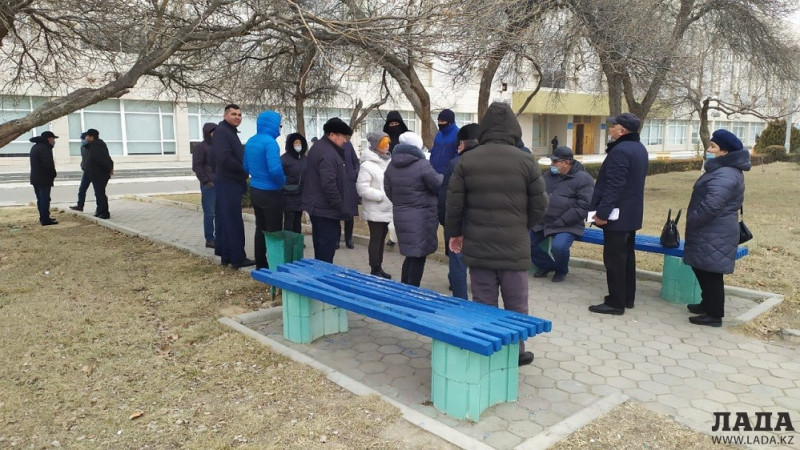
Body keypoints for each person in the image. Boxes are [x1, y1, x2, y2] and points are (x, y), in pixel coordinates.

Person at [445, 102, 548, 366]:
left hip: (478, 247)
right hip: (514, 247)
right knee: (516, 303)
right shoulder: (526, 160)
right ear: (514, 128)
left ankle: (487, 352)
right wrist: (522, 225)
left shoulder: (467, 160)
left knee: (483, 302)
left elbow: (453, 205)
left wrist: (455, 234)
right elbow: (541, 204)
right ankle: (516, 352)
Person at [683, 129, 751, 327]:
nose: (709, 149)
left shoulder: (726, 174)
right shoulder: (721, 169)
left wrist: (693, 219)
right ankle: (707, 304)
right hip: (710, 228)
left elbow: (712, 205)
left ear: (724, 152)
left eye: (713, 146)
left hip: (715, 229)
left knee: (711, 273)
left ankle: (714, 315)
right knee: (702, 267)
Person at [587, 112, 648, 315]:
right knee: (627, 258)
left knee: (614, 260)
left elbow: (614, 186)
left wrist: (602, 213)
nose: (610, 129)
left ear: (621, 130)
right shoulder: (639, 148)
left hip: (617, 215)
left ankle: (615, 303)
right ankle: (627, 298)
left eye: (613, 126)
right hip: (631, 214)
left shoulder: (620, 151)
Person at [384, 132, 442, 287]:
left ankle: (404, 287)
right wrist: (445, 176)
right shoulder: (422, 165)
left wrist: (401, 203)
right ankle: (412, 291)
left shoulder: (391, 165)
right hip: (422, 217)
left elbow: (388, 191)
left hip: (401, 215)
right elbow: (438, 184)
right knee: (418, 256)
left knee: (411, 255)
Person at [530, 146, 594, 282]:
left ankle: (561, 270)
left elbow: (584, 205)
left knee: (559, 247)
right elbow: (538, 194)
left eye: (555, 161)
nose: (551, 164)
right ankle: (547, 265)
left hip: (567, 224)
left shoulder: (584, 179)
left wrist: (562, 221)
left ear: (566, 163)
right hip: (544, 222)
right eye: (551, 161)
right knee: (523, 242)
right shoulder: (548, 175)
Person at [301, 117, 353, 263]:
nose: (345, 141)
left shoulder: (320, 147)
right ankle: (322, 275)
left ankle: (320, 273)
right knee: (325, 251)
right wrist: (340, 206)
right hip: (325, 210)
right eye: (342, 137)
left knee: (321, 248)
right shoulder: (328, 153)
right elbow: (329, 184)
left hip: (320, 207)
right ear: (332, 135)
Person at [437, 123, 479, 299]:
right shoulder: (493, 163)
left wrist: (445, 221)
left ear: (462, 143)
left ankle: (460, 302)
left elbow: (445, 197)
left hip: (460, 223)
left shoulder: (456, 164)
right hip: (485, 224)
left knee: (458, 264)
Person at [212, 104, 254, 268]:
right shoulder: (223, 131)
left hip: (230, 182)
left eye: (239, 115)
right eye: (233, 114)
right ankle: (237, 258)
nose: (237, 117)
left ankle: (227, 256)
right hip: (228, 183)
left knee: (226, 220)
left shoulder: (229, 131)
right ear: (225, 116)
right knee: (232, 221)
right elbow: (224, 158)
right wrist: (244, 170)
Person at [244, 110, 286, 270]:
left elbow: (245, 167)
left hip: (255, 189)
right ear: (272, 125)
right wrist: (282, 182)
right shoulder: (270, 143)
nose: (280, 128)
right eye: (279, 125)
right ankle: (276, 266)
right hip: (271, 192)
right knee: (274, 231)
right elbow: (275, 170)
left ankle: (261, 264)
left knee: (260, 228)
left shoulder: (251, 141)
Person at [356, 131, 393, 278]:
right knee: (376, 238)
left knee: (382, 238)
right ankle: (374, 268)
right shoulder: (367, 165)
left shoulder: (388, 161)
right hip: (375, 208)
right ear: (376, 145)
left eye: (388, 143)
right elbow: (362, 188)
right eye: (384, 143)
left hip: (387, 208)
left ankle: (379, 267)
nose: (387, 146)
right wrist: (381, 196)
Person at [192, 122, 217, 248]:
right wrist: (206, 181)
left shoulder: (219, 146)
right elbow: (197, 166)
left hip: (221, 184)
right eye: (212, 131)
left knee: (220, 213)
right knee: (210, 214)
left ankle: (220, 237)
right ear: (207, 133)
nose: (215, 134)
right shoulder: (200, 147)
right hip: (209, 186)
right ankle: (209, 239)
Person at [29, 131, 59, 226]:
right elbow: (48, 164)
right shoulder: (45, 148)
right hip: (43, 178)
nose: (53, 140)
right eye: (53, 138)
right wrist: (53, 174)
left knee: (40, 199)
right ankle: (45, 219)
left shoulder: (36, 147)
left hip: (36, 178)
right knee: (45, 199)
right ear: (49, 138)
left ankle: (43, 217)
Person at [83, 129, 114, 220]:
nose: (85, 138)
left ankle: (104, 212)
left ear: (91, 136)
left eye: (87, 136)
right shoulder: (92, 146)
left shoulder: (97, 146)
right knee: (98, 193)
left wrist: (109, 169)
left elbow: (103, 160)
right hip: (95, 173)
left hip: (99, 174)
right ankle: (99, 210)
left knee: (100, 193)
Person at [281, 132, 308, 233]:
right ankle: (287, 240)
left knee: (298, 221)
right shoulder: (284, 158)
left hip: (300, 194)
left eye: (299, 143)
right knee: (289, 220)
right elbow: (279, 175)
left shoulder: (304, 158)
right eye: (296, 143)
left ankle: (297, 239)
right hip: (288, 195)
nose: (298, 145)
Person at [337, 141, 360, 249]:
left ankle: (349, 239)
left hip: (350, 184)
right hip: (337, 183)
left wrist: (355, 172)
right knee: (336, 213)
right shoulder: (330, 145)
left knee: (349, 214)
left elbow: (355, 161)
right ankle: (336, 239)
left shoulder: (348, 144)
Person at [429, 109, 460, 175]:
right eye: (438, 121)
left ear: (450, 122)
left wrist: (451, 171)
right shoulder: (438, 135)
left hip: (448, 173)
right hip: (434, 172)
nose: (439, 123)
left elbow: (458, 155)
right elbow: (433, 152)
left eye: (442, 121)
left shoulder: (458, 134)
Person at [68, 132, 92, 212]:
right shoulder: (82, 147)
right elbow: (84, 158)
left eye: (83, 139)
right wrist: (83, 166)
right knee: (82, 189)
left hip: (94, 171)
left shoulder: (94, 147)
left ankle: (101, 209)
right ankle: (80, 205)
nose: (82, 141)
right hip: (86, 171)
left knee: (99, 191)